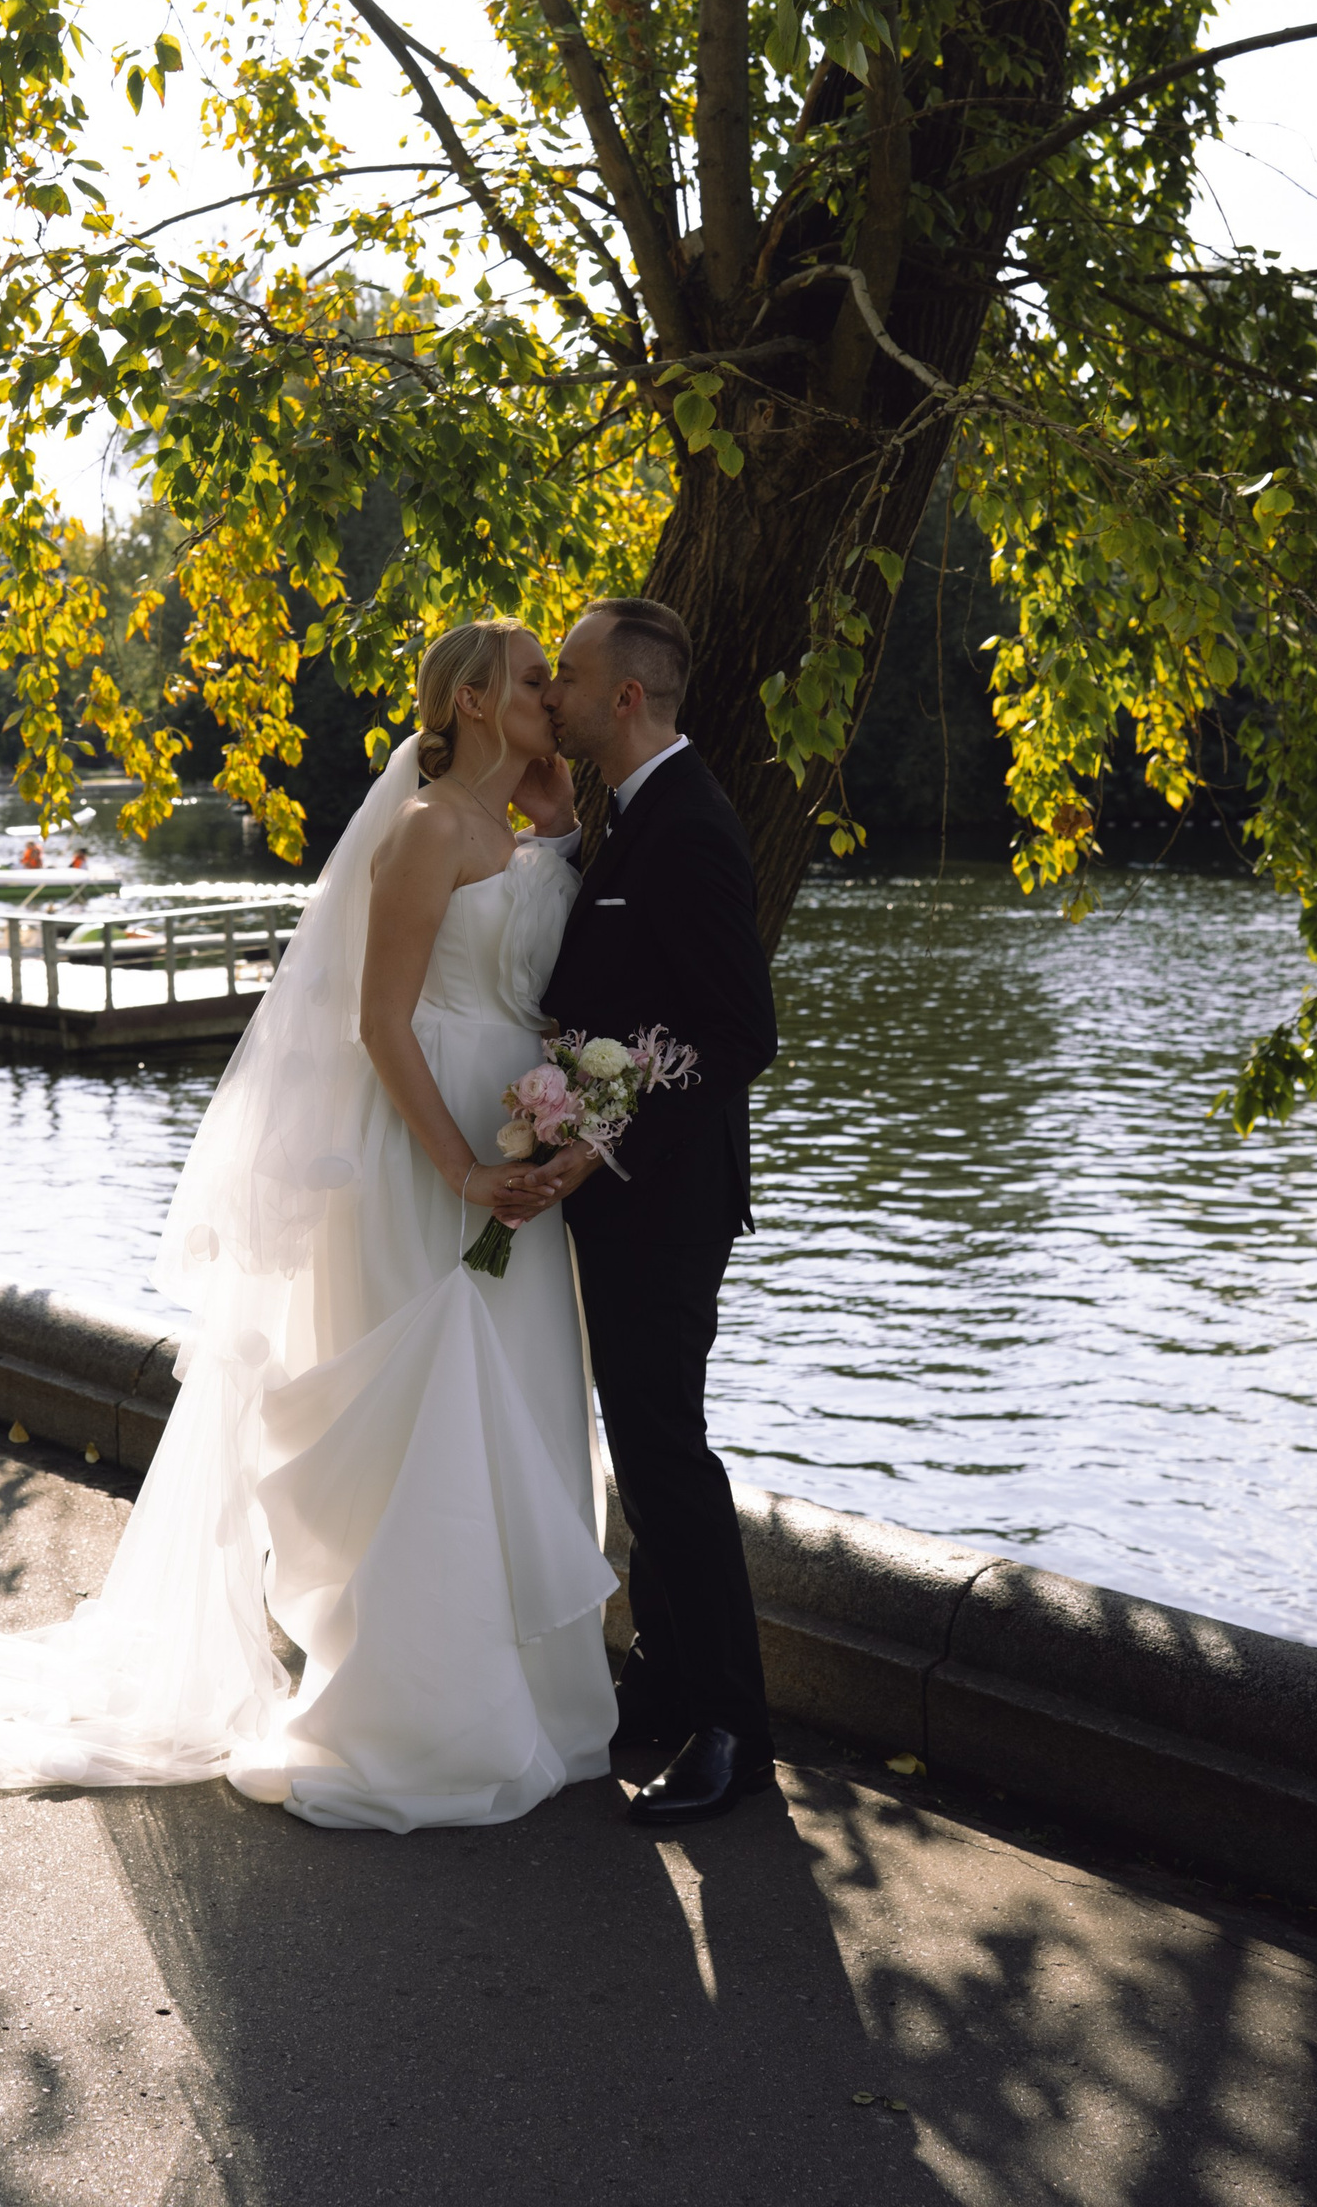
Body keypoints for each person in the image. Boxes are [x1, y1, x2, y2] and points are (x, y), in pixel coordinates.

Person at [0, 619, 619, 1831]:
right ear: (478, 700)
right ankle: (418, 1713)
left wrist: (562, 851)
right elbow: (379, 1022)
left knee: (522, 1383)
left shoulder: (530, 830)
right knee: (426, 1406)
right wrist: (457, 1168)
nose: (555, 696)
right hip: (426, 1145)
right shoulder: (423, 829)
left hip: (519, 1137)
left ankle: (536, 1702)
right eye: (536, 680)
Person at [533, 598, 781, 1828]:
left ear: (625, 697)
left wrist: (599, 1134)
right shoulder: (636, 816)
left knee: (667, 1452)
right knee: (643, 1445)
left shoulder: (691, 824)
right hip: (626, 1201)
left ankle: (735, 1730)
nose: (554, 694)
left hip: (669, 1202)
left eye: (569, 676)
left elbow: (740, 1034)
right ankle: (663, 1683)